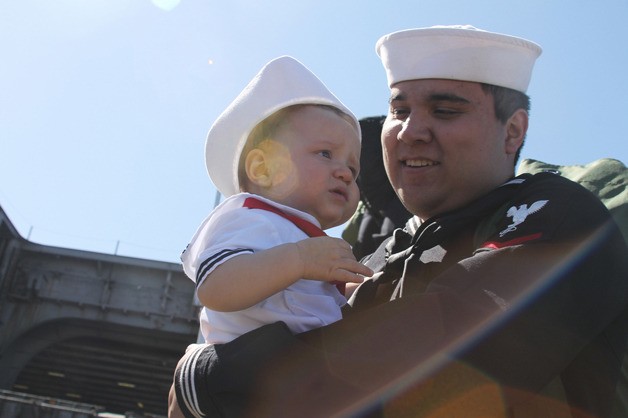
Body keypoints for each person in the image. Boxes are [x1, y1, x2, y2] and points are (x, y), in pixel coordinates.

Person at [170, 26, 628, 418]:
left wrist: (211, 380)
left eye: (445, 110)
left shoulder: (557, 214)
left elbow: (449, 347)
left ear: (513, 131)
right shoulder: (375, 257)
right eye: (399, 110)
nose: (411, 131)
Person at [171, 55, 372, 418]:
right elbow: (215, 287)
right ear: (263, 168)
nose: (344, 172)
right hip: (247, 390)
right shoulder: (249, 215)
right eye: (325, 154)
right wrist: (300, 260)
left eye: (353, 168)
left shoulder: (301, 235)